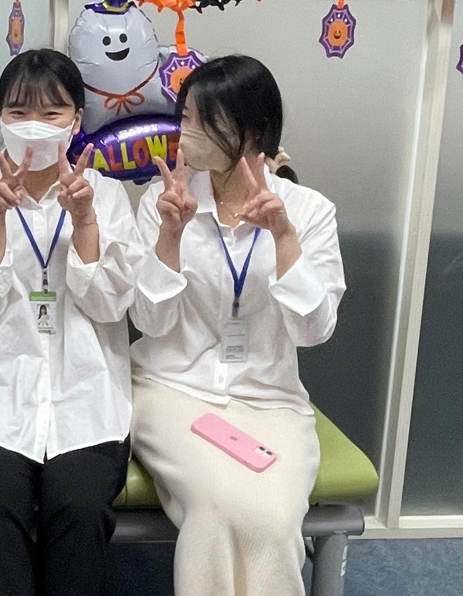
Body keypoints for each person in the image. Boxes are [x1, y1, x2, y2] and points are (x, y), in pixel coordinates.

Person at [129, 55, 346, 596]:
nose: (184, 133)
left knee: (273, 519)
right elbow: (147, 319)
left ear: (250, 132)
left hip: (270, 399)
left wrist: (284, 237)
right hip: (172, 388)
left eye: (200, 121)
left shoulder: (308, 212)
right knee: (220, 504)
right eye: (184, 117)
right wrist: (171, 235)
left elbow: (314, 330)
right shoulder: (166, 200)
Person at [0, 48, 142, 596]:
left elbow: (110, 306)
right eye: (19, 111)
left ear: (77, 120)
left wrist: (86, 221)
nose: (35, 125)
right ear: (0, 116)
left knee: (80, 512)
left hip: (86, 398)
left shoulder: (108, 195)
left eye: (52, 112)